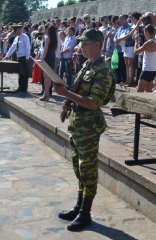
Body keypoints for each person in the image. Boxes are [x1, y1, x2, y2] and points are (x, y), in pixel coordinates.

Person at [54, 29, 115, 231]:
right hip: (77, 123)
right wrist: (67, 101)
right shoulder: (87, 65)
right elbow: (78, 92)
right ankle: (79, 206)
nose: (81, 46)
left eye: (85, 43)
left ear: (97, 45)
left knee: (87, 169)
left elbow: (93, 103)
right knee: (78, 168)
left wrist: (67, 94)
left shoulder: (102, 71)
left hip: (88, 126)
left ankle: (85, 213)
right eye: (81, 43)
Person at [4, 25, 30, 92]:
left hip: (24, 57)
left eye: (15, 30)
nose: (14, 32)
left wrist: (27, 57)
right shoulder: (16, 38)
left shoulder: (25, 37)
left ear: (19, 30)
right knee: (20, 72)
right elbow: (13, 47)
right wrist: (7, 56)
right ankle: (20, 86)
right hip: (19, 57)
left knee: (24, 73)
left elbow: (28, 47)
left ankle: (24, 88)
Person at [134, 24, 156, 92]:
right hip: (153, 69)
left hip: (147, 69)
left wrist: (136, 41)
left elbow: (136, 52)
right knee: (148, 90)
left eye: (144, 32)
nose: (144, 34)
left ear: (147, 32)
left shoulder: (148, 43)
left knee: (139, 91)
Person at [39, 24, 58, 101]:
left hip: (47, 57)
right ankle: (46, 92)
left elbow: (45, 50)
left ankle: (46, 93)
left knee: (46, 76)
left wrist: (42, 59)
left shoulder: (48, 38)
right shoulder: (55, 38)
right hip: (52, 56)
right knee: (48, 76)